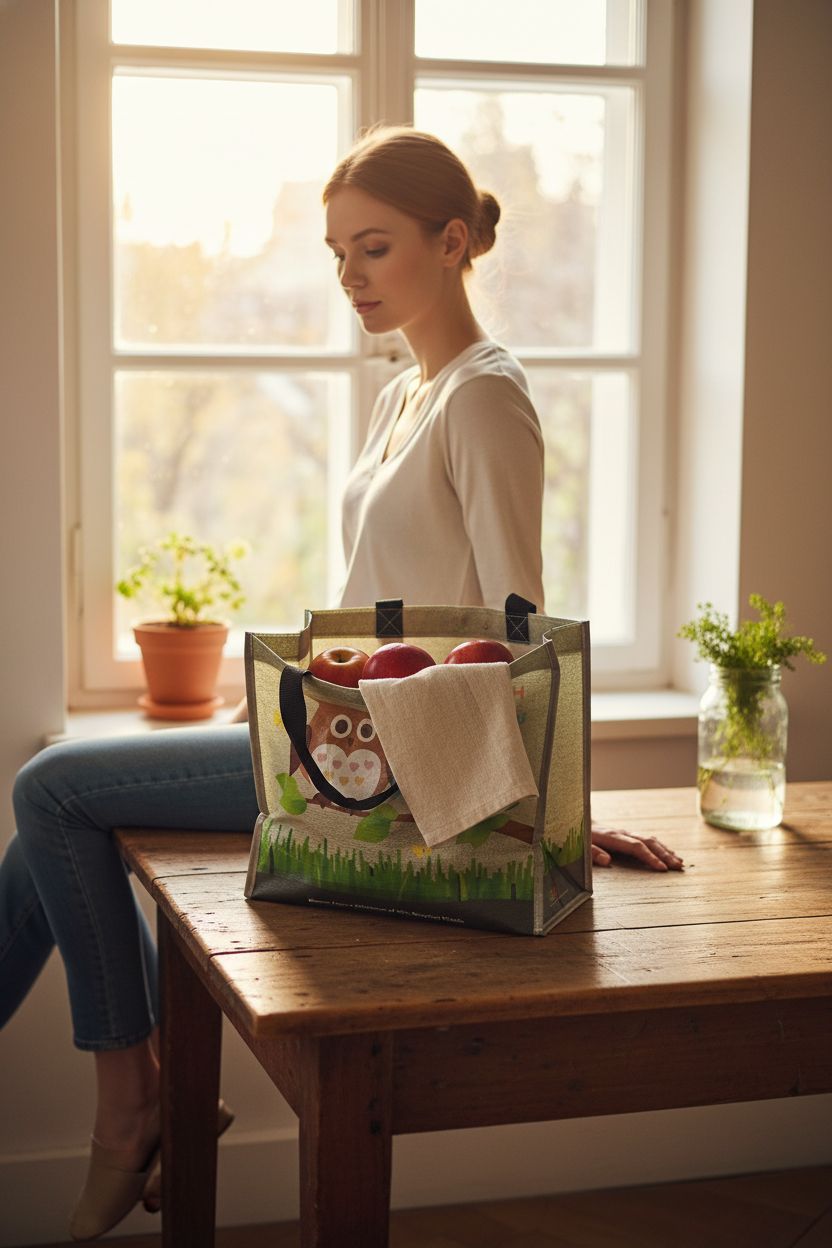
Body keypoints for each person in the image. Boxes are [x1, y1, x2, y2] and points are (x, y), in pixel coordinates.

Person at [0, 125, 682, 1242]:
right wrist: (254, 715)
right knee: (40, 848)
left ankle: (131, 1111)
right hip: (329, 734)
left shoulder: (483, 396)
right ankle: (150, 1107)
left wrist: (561, 808)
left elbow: (521, 620)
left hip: (401, 763)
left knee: (48, 791)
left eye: (374, 247)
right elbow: (368, 612)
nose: (350, 277)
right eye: (334, 254)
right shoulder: (400, 395)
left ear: (451, 241)